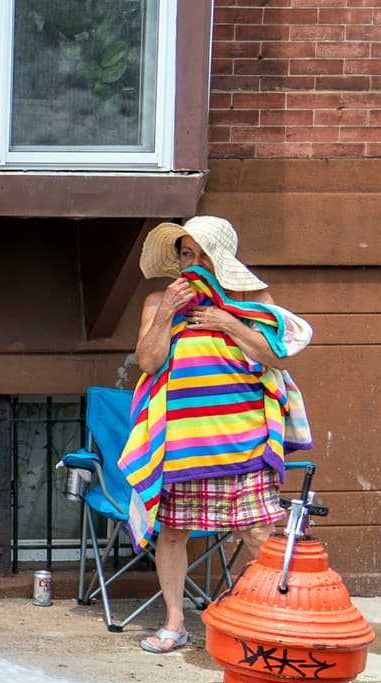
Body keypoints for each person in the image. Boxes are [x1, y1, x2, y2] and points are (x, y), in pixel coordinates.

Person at [121, 216, 313, 653]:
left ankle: (273, 619)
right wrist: (168, 312)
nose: (193, 263)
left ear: (222, 259)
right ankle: (175, 623)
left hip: (243, 442)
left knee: (260, 534)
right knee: (171, 534)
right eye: (186, 254)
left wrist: (227, 323)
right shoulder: (158, 302)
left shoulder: (251, 299)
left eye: (201, 254)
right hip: (183, 446)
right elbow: (149, 362)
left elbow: (276, 359)